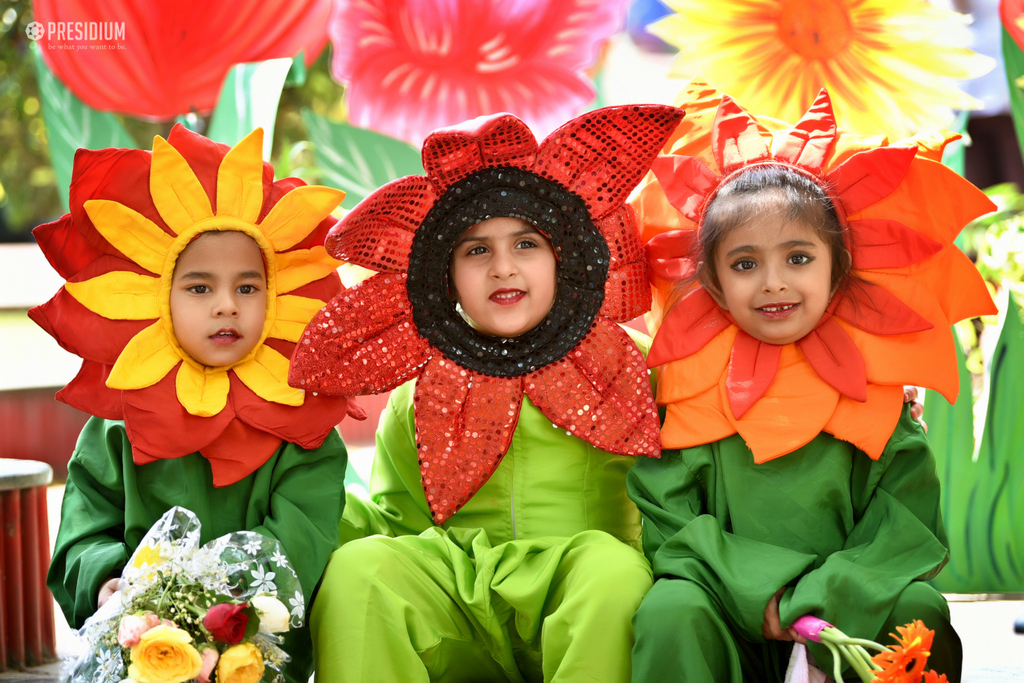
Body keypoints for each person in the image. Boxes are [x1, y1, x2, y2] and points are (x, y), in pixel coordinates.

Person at [288, 105, 683, 682]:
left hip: (584, 590)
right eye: (476, 250)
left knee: (613, 573)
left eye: (527, 244)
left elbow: (675, 498)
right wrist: (291, 481)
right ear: (445, 275)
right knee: (361, 570)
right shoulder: (421, 390)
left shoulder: (629, 366)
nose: (503, 268)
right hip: (460, 602)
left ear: (564, 256)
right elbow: (396, 526)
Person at [626, 82, 997, 683]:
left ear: (839, 271)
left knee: (920, 612)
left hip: (851, 611)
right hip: (728, 608)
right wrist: (762, 592)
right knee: (671, 609)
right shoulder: (693, 393)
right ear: (715, 285)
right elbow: (669, 516)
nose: (773, 283)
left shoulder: (878, 391)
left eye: (798, 258)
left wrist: (825, 598)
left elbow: (905, 520)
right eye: (745, 264)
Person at [33, 126, 359, 683]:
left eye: (248, 288)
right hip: (137, 651)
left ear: (280, 298)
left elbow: (306, 538)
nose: (227, 307)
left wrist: (228, 615)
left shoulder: (303, 426)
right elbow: (82, 533)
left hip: (256, 659)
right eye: (200, 288)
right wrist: (107, 580)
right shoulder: (117, 426)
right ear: (152, 292)